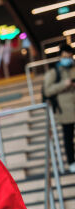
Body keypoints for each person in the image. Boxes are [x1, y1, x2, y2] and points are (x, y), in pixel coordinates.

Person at [43, 43, 75, 172]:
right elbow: (47, 91)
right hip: (64, 110)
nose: (67, 58)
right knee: (68, 138)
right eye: (65, 56)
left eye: (69, 56)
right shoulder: (53, 72)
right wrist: (64, 84)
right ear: (60, 56)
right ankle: (71, 162)